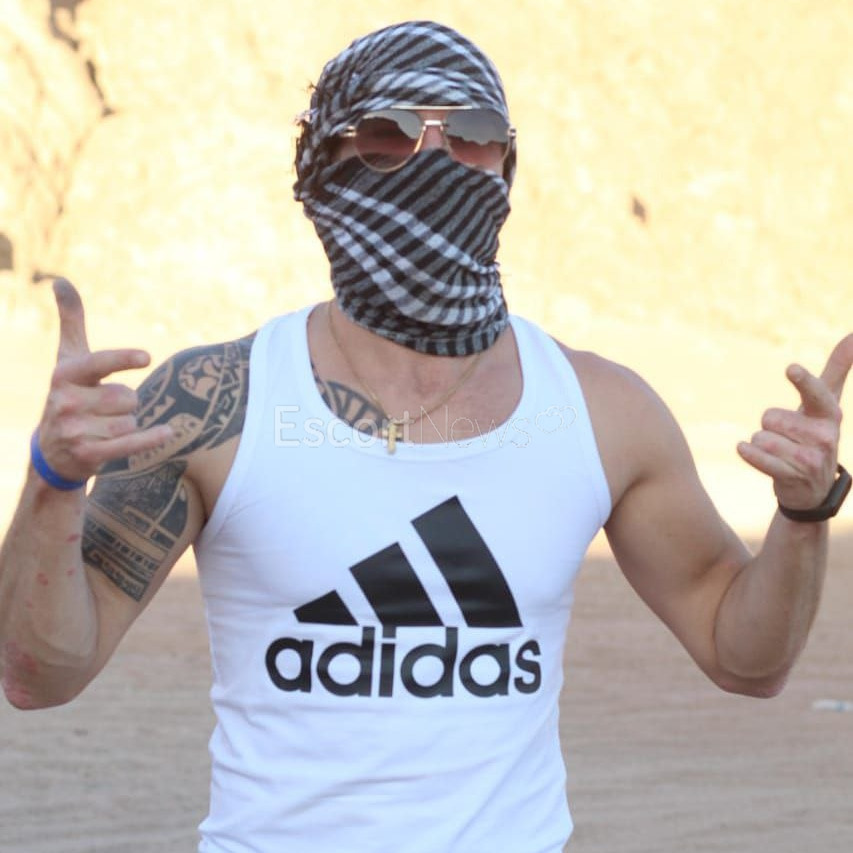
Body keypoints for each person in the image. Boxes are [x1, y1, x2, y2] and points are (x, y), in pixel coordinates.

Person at [0, 19, 850, 853]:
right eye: (388, 133)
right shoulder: (217, 403)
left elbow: (745, 658)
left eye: (471, 134)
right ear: (321, 166)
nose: (435, 160)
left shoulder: (602, 412)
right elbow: (40, 675)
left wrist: (805, 511)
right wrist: (52, 479)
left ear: (506, 165)